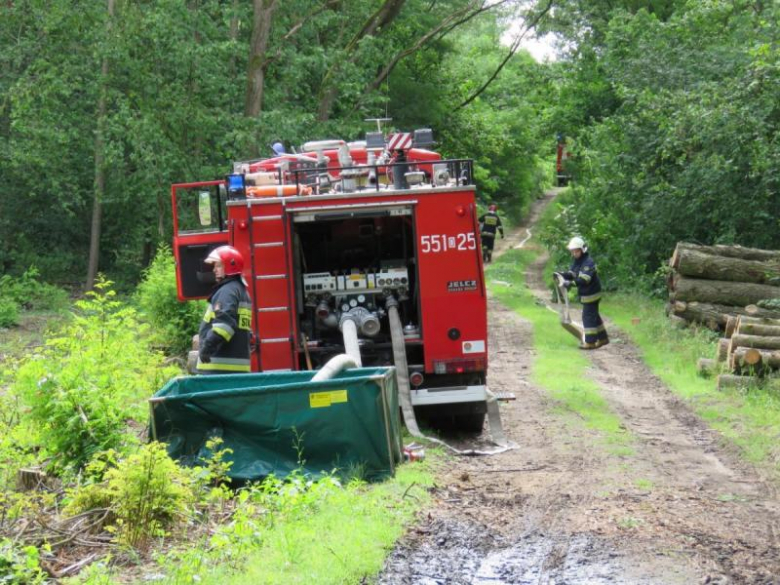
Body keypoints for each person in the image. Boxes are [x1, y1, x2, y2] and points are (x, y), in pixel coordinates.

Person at [196, 245, 253, 374]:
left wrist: (207, 347)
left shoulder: (227, 291)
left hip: (219, 367)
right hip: (236, 367)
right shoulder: (241, 290)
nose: (214, 270)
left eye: (219, 266)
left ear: (230, 266)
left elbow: (224, 325)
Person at [561, 236, 609, 349]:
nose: (574, 253)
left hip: (591, 294)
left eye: (576, 251)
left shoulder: (588, 262)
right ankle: (603, 338)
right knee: (594, 316)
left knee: (587, 317)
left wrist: (570, 283)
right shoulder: (578, 261)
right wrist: (562, 274)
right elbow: (572, 273)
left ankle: (590, 342)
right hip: (587, 294)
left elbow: (584, 279)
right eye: (572, 251)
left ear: (583, 250)